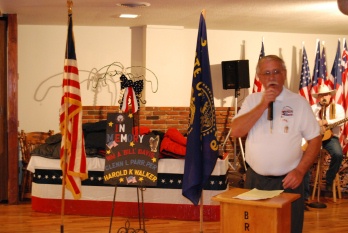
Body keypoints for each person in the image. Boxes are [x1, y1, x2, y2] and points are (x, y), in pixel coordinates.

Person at [231, 55, 321, 233]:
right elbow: (236, 131)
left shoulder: (299, 103)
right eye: (266, 73)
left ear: (284, 74)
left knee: (288, 228)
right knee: (256, 227)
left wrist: (300, 171)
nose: (271, 77)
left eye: (276, 72)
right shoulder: (252, 101)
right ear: (260, 77)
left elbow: (315, 139)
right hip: (255, 179)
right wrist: (264, 103)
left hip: (289, 182)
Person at [311, 84, 344, 191]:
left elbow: (341, 120)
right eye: (321, 95)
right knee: (302, 155)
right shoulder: (313, 108)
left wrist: (326, 122)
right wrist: (317, 124)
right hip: (314, 138)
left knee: (338, 154)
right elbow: (307, 122)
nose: (323, 97)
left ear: (330, 96)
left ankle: (329, 179)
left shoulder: (337, 108)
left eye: (326, 95)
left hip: (331, 138)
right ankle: (305, 190)